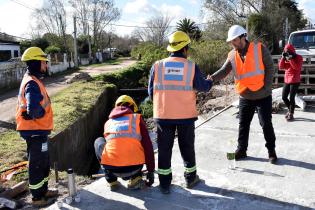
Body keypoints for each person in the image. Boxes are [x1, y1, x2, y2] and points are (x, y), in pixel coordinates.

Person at [148, 31, 213, 194]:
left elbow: (151, 92)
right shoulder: (191, 66)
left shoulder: (157, 66)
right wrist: (210, 81)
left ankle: (164, 184)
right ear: (185, 49)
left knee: (163, 149)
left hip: (163, 115)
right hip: (185, 116)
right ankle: (190, 179)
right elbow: (203, 87)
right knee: (187, 147)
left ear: (171, 48)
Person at [210, 25, 278, 164]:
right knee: (243, 124)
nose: (233, 43)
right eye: (231, 41)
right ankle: (241, 150)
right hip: (245, 95)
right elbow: (224, 71)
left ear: (243, 37)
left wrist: (267, 87)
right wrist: (211, 79)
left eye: (235, 40)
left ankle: (271, 151)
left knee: (266, 124)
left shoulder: (259, 48)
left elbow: (270, 67)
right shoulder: (232, 55)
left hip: (262, 95)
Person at [16, 47, 57, 207]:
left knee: (44, 162)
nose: (46, 65)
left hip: (38, 130)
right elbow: (33, 108)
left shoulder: (32, 79)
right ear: (35, 63)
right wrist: (35, 113)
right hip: (34, 131)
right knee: (37, 164)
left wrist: (34, 113)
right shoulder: (32, 83)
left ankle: (43, 190)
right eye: (43, 62)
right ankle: (37, 198)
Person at [94, 95, 155, 191]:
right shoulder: (137, 119)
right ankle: (136, 179)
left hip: (112, 169)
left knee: (99, 142)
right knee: (140, 144)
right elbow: (148, 147)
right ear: (132, 107)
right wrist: (151, 171)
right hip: (134, 169)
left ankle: (112, 181)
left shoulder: (108, 123)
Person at [278, 43, 303, 121]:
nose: (287, 53)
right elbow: (281, 67)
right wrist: (283, 58)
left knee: (292, 97)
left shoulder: (299, 57)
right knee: (284, 97)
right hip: (287, 80)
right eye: (286, 51)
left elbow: (297, 68)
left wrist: (291, 59)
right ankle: (290, 110)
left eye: (289, 51)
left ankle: (291, 113)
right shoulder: (286, 58)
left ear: (292, 51)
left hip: (295, 80)